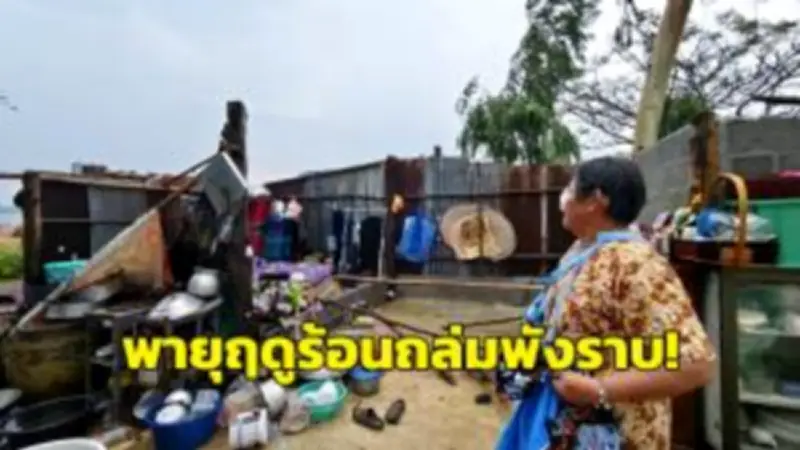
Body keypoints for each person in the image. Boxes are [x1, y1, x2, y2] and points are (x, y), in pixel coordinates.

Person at [495, 156, 716, 450]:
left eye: (571, 190)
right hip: (563, 428)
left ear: (595, 200)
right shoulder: (582, 251)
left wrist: (599, 390)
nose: (564, 199)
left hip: (617, 434)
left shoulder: (636, 265)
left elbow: (697, 365)